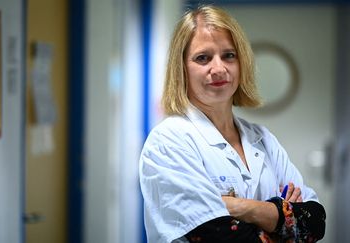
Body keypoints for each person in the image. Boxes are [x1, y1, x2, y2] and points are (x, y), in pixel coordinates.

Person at [138, 5, 326, 243]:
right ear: (182, 69)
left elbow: (316, 222)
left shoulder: (262, 139)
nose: (218, 69)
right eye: (203, 58)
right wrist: (283, 216)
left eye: (229, 55)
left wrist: (240, 207)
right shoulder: (169, 141)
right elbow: (221, 237)